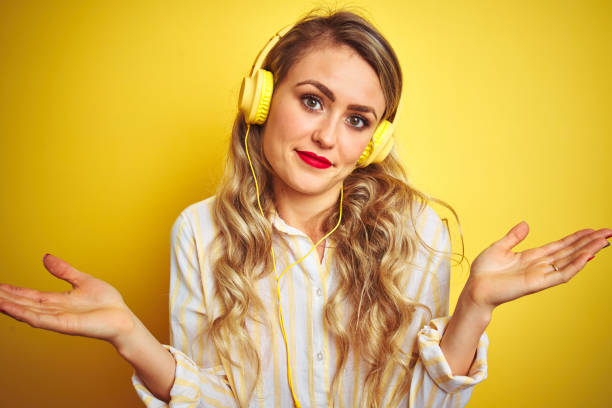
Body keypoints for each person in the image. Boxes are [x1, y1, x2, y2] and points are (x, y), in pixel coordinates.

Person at [0, 9, 610, 408]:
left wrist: (474, 307)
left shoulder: (415, 231)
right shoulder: (199, 231)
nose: (328, 138)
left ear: (374, 140)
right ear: (261, 99)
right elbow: (216, 401)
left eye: (356, 120)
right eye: (313, 100)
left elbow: (424, 406)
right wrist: (129, 336)